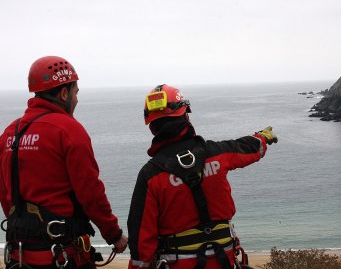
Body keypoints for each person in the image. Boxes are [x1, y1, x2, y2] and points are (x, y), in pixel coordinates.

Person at [127, 84, 278, 269]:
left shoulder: (150, 176)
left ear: (152, 128)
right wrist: (262, 137)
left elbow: (140, 238)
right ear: (186, 116)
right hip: (225, 260)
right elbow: (247, 147)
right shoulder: (215, 154)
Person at [0, 56, 128, 268]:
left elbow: (5, 194)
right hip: (62, 254)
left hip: (20, 254)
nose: (76, 100)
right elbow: (90, 192)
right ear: (64, 93)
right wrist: (113, 234)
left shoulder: (9, 134)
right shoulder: (68, 130)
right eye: (76, 93)